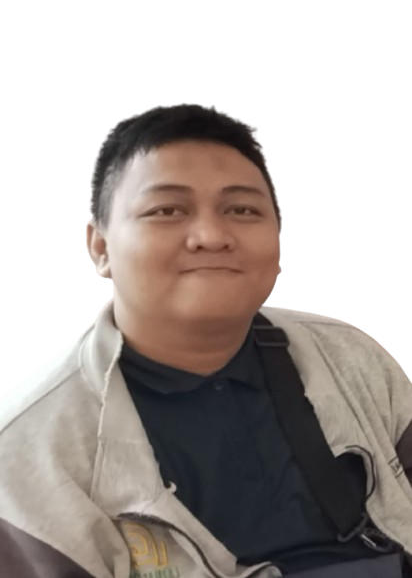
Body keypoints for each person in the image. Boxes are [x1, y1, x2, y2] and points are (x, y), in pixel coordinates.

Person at [0, 103, 411, 578]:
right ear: (100, 247)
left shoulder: (351, 356)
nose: (212, 236)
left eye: (242, 210)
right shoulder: (25, 451)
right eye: (167, 210)